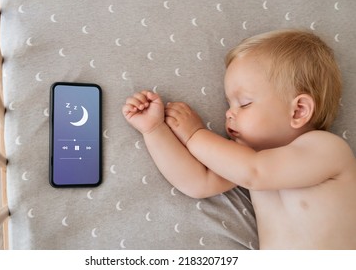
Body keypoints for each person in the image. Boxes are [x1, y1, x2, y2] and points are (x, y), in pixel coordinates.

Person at [122, 29, 356, 249]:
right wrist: (154, 130)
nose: (229, 113)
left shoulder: (328, 149)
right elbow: (198, 182)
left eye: (244, 103)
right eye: (229, 104)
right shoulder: (247, 156)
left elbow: (255, 172)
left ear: (299, 111)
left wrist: (195, 135)